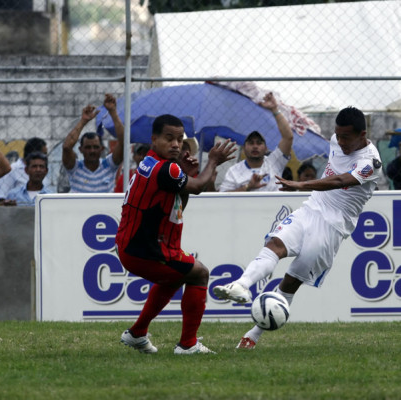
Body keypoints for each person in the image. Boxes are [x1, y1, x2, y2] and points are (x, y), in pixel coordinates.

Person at [213, 106, 382, 350]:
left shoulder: (370, 163)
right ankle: (241, 285)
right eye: (338, 135)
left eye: (347, 137)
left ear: (362, 134)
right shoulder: (336, 140)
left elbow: (339, 180)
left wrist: (300, 184)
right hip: (311, 209)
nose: (341, 141)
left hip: (332, 227)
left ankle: (254, 334)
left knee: (291, 282)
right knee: (275, 244)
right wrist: (306, 190)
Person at [116, 114, 236, 355]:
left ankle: (137, 333)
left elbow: (176, 206)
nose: (175, 144)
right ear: (154, 139)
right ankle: (188, 344)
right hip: (145, 249)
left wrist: (186, 176)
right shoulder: (168, 169)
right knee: (200, 274)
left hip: (132, 245)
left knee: (175, 276)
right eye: (169, 138)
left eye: (179, 140)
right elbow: (199, 186)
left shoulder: (150, 162)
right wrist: (211, 161)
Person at [218, 92, 294, 192]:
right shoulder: (234, 171)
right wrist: (248, 187)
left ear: (266, 148)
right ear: (244, 148)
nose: (255, 146)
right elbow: (223, 197)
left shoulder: (274, 162)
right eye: (251, 143)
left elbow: (288, 137)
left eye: (259, 143)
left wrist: (274, 109)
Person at [62, 93, 125, 192]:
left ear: (102, 149)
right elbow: (66, 147)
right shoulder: (75, 168)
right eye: (88, 147)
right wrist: (83, 121)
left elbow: (123, 142)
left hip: (105, 208)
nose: (92, 151)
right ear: (80, 149)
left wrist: (113, 112)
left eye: (96, 147)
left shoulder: (109, 165)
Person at [0, 137, 54, 203]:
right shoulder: (12, 169)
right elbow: (3, 197)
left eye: (41, 166)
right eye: (44, 153)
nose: (38, 169)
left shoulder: (42, 170)